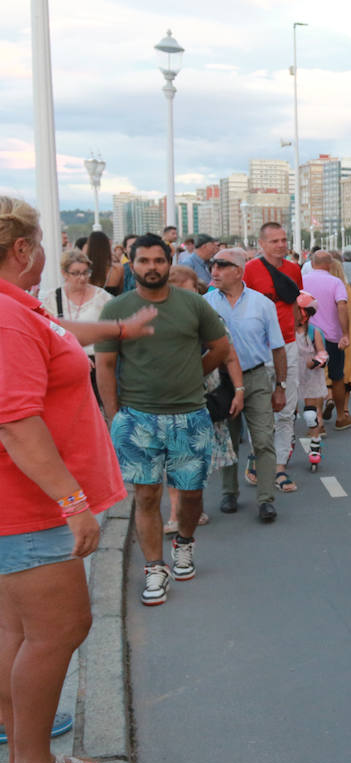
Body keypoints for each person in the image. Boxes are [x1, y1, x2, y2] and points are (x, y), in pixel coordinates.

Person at [0, 198, 153, 763]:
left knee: (16, 631)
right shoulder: (8, 319)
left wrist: (119, 329)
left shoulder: (19, 310)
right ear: (21, 249)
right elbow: (15, 421)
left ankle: (24, 748)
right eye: (43, 243)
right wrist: (74, 503)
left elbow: (62, 337)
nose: (49, 254)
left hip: (21, 509)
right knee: (60, 629)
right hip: (31, 509)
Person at [97, 235, 230, 605]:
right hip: (137, 418)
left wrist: (192, 375)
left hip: (190, 415)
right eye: (144, 261)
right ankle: (155, 569)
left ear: (169, 262)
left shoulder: (193, 305)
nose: (151, 267)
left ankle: (184, 543)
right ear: (132, 263)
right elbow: (104, 365)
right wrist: (114, 415)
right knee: (146, 494)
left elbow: (220, 348)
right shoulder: (116, 309)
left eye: (158, 260)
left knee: (191, 495)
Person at [204, 248, 287, 523]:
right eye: (212, 265)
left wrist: (281, 386)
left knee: (263, 439)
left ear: (238, 271)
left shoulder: (262, 304)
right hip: (221, 381)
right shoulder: (205, 303)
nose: (214, 271)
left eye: (221, 265)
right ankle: (229, 492)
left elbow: (277, 348)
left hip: (256, 377)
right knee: (228, 438)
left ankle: (266, 499)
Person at [164, 265, 238, 533]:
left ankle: (193, 506)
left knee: (194, 456)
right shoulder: (154, 318)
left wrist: (239, 390)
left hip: (201, 395)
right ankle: (175, 514)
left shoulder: (208, 316)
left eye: (190, 291)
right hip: (167, 396)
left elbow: (228, 353)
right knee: (173, 454)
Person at [243, 223, 303, 493]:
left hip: (288, 344)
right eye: (275, 241)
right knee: (259, 408)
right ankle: (258, 457)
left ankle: (279, 468)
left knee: (287, 409)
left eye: (284, 240)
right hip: (257, 347)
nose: (281, 245)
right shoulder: (250, 270)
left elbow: (297, 304)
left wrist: (301, 329)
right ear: (262, 244)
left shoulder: (294, 270)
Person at [303, 251, 350, 432]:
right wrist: (345, 333)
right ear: (330, 264)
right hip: (332, 337)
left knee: (313, 378)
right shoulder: (336, 282)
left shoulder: (303, 280)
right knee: (337, 377)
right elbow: (342, 306)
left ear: (312, 263)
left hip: (310, 336)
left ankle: (318, 421)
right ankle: (340, 417)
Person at [41, 252, 113, 354]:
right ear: (64, 273)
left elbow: (110, 331)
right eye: (76, 273)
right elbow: (48, 331)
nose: (82, 278)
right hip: (67, 357)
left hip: (96, 357)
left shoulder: (102, 297)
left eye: (85, 272)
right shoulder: (54, 299)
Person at [322, 252, 351, 426]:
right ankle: (343, 412)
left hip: (325, 335)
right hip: (348, 336)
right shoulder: (349, 289)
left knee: (326, 372)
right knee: (345, 374)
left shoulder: (322, 288)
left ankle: (329, 396)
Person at [293, 293, 329, 470]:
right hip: (292, 374)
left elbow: (323, 353)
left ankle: (315, 445)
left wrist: (315, 361)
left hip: (310, 376)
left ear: (305, 313)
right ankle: (288, 441)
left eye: (295, 309)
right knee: (288, 414)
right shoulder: (286, 330)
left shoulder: (314, 332)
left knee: (310, 414)